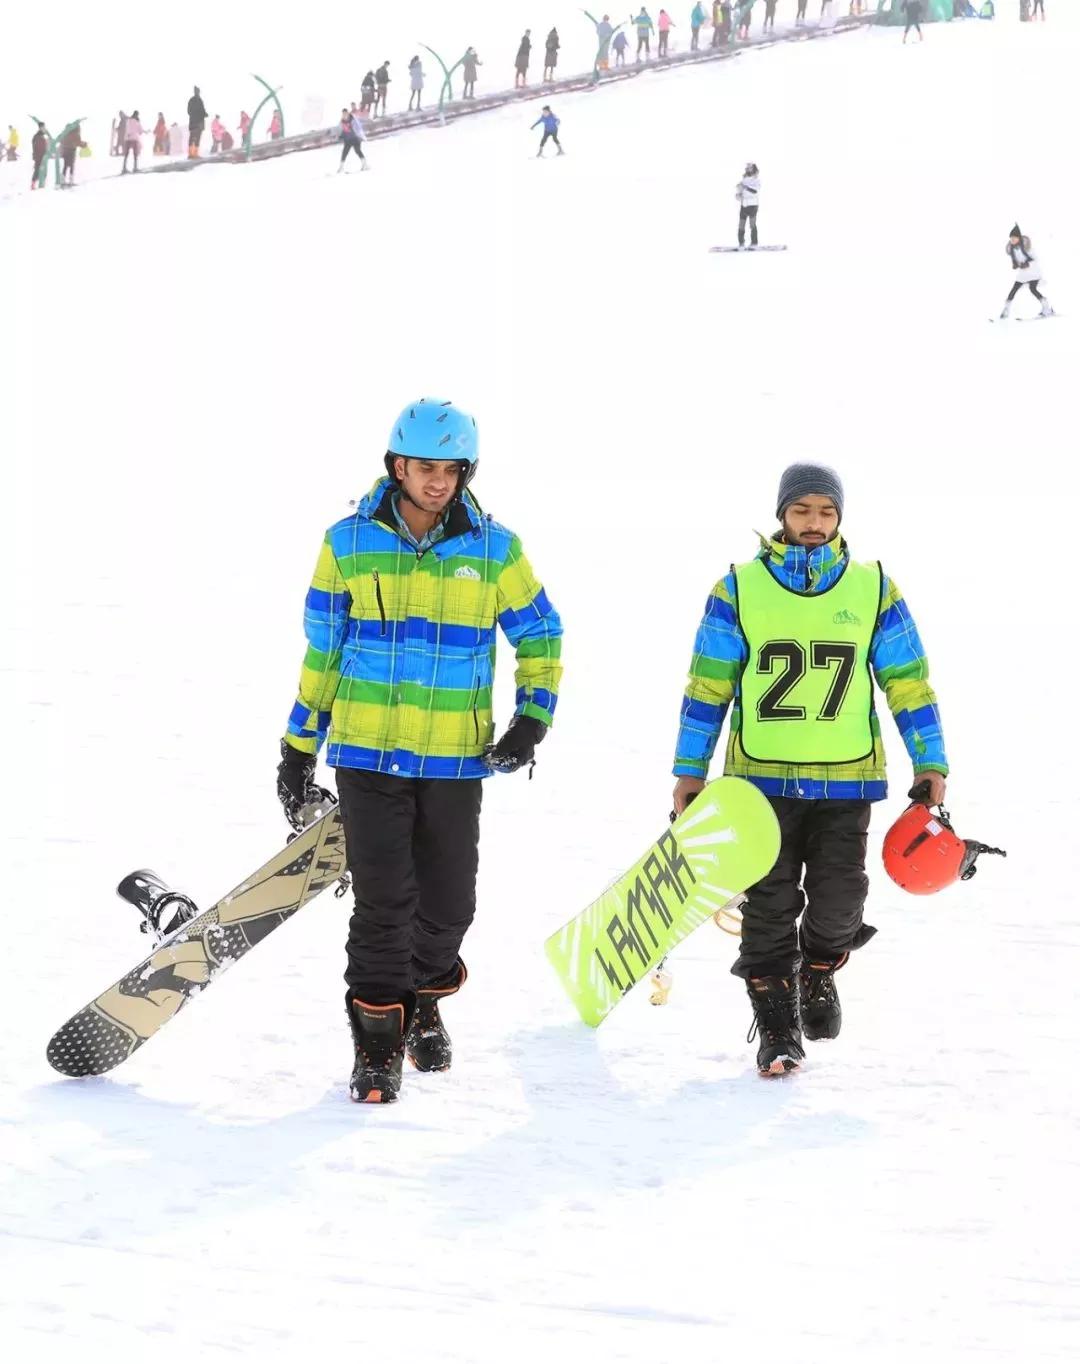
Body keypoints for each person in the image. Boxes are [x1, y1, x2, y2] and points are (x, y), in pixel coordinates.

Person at [277, 398, 563, 1104]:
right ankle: (378, 1048)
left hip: (454, 760)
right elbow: (324, 650)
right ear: (397, 466)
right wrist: (298, 747)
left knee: (449, 907)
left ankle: (423, 998)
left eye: (452, 470)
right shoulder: (347, 543)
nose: (438, 481)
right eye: (425, 467)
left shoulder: (495, 549)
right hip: (367, 754)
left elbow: (541, 634)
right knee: (384, 905)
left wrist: (531, 719)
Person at [672, 463, 948, 1077]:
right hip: (759, 783)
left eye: (826, 511)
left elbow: (908, 681)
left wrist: (930, 760)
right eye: (801, 510)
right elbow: (708, 686)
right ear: (782, 515)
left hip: (846, 780)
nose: (814, 522)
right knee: (769, 905)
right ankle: (777, 1031)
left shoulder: (874, 588)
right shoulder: (738, 588)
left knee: (840, 897)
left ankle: (819, 967)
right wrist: (690, 770)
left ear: (840, 517)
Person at [999, 224, 1054, 319]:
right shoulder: (1012, 249)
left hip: (1033, 273)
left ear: (1019, 238)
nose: (1012, 240)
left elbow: (1035, 259)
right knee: (1014, 289)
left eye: (1014, 238)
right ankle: (1006, 310)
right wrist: (1016, 264)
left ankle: (1046, 308)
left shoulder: (1027, 247)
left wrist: (1027, 264)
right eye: (1011, 238)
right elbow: (1017, 260)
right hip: (1023, 274)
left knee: (1033, 289)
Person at [735, 161, 760, 248]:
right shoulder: (744, 179)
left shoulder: (756, 179)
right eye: (747, 167)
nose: (748, 169)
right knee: (741, 224)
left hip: (753, 205)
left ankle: (754, 243)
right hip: (744, 205)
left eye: (750, 167)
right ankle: (741, 243)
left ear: (753, 168)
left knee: (752, 224)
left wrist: (745, 188)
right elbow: (740, 192)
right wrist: (738, 195)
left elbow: (755, 191)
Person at [337, 106, 367, 171]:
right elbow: (343, 130)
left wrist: (361, 136)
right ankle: (341, 167)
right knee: (344, 153)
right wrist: (340, 136)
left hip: (355, 139)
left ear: (348, 113)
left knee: (357, 150)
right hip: (348, 140)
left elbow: (358, 128)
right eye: (343, 114)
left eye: (345, 113)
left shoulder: (353, 119)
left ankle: (364, 164)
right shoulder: (342, 121)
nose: (344, 115)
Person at [60, 121, 85, 185]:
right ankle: (71, 180)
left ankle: (62, 179)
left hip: (65, 151)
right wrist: (84, 145)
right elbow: (78, 143)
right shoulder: (76, 134)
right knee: (71, 166)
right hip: (71, 151)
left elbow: (61, 141)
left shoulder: (65, 133)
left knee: (65, 165)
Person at [187, 86, 207, 157]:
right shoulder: (199, 100)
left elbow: (188, 111)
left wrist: (194, 115)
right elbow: (202, 111)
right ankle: (194, 154)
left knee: (192, 138)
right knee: (197, 138)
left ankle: (190, 154)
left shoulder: (191, 100)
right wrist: (204, 114)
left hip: (192, 123)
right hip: (198, 123)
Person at [30, 121, 49, 189]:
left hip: (41, 156)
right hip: (39, 156)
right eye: (43, 127)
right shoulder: (38, 136)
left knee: (41, 170)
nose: (45, 128)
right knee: (37, 170)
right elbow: (37, 147)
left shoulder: (41, 136)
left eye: (44, 127)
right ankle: (33, 184)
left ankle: (39, 184)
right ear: (40, 128)